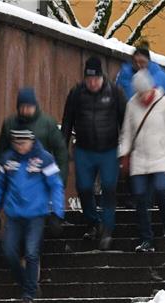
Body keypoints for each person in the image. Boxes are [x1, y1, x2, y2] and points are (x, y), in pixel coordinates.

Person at [0, 129, 65, 303]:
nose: (20, 147)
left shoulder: (44, 158)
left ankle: (28, 296)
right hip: (14, 215)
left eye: (23, 143)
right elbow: (1, 185)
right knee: (8, 252)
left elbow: (56, 185)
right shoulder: (8, 159)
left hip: (36, 215)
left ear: (32, 141)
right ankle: (27, 284)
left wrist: (57, 213)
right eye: (16, 143)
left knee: (31, 253)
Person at [119, 70, 165, 253]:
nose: (144, 97)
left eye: (146, 92)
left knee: (160, 188)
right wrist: (125, 155)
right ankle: (146, 239)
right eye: (140, 94)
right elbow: (127, 133)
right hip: (140, 159)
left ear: (152, 88)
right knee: (141, 198)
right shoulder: (132, 105)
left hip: (162, 156)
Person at [61, 56, 127, 250]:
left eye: (95, 79)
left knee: (108, 189)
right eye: (88, 80)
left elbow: (125, 123)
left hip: (108, 149)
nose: (92, 83)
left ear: (102, 77)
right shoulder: (76, 94)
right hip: (84, 149)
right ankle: (92, 221)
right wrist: (61, 149)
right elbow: (66, 123)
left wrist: (127, 149)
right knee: (83, 188)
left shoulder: (115, 93)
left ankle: (107, 228)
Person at [0, 87, 68, 187]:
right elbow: (1, 150)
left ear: (35, 105)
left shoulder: (48, 123)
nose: (25, 110)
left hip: (41, 175)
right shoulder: (9, 123)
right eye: (22, 107)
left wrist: (60, 179)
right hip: (15, 177)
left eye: (28, 107)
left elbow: (61, 151)